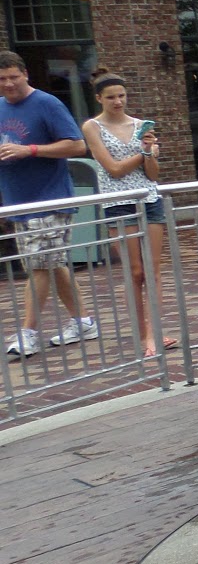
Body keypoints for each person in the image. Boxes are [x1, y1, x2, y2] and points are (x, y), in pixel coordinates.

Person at [0, 49, 94, 357]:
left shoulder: (47, 103)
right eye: (2, 79)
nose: (8, 84)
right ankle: (83, 322)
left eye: (14, 77)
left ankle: (28, 332)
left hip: (50, 199)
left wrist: (30, 150)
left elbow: (77, 145)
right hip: (18, 203)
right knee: (51, 264)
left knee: (39, 265)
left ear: (25, 74)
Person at [82, 73, 171, 357]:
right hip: (118, 202)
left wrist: (149, 154)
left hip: (149, 198)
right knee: (135, 271)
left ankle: (155, 333)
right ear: (99, 98)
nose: (117, 101)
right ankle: (143, 334)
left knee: (152, 270)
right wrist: (144, 153)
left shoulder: (141, 125)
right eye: (110, 97)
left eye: (121, 95)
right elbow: (114, 169)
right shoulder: (92, 126)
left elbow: (153, 175)